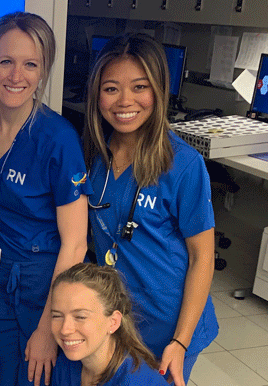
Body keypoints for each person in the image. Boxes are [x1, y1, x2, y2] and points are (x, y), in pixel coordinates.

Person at [83, 33, 218, 386]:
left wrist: (180, 341)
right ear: (96, 94)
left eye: (139, 87)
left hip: (170, 324)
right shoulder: (92, 155)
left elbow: (202, 258)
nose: (125, 101)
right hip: (117, 319)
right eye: (111, 88)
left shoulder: (183, 166)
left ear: (159, 91)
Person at [0, 12, 90, 386]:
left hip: (40, 283)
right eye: (6, 61)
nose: (16, 76)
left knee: (35, 374)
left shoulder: (58, 140)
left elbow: (75, 244)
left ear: (43, 71)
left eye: (30, 64)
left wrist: (46, 327)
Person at [49, 263, 166, 386]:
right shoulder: (65, 364)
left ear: (113, 322)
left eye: (80, 317)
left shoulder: (134, 381)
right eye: (57, 316)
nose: (65, 330)